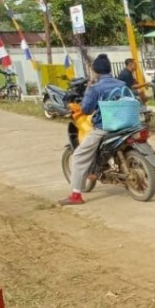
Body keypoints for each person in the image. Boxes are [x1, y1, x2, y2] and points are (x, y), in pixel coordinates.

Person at [58, 54, 132, 206]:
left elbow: (85, 109)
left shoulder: (96, 87)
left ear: (95, 71)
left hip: (106, 128)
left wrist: (88, 89)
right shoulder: (122, 83)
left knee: (78, 156)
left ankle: (76, 195)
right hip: (128, 123)